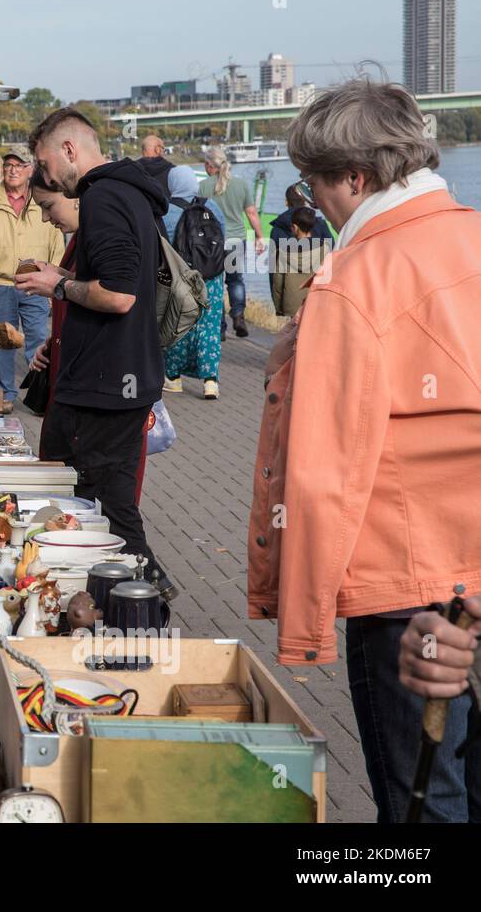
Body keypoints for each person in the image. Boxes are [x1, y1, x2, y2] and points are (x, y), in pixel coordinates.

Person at [247, 78, 481, 822]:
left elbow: (324, 471)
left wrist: (302, 618)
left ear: (356, 176)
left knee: (421, 802)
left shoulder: (355, 278)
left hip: (404, 587)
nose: (313, 203)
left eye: (315, 184)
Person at [22, 108, 171, 594]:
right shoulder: (127, 193)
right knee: (105, 506)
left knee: (107, 511)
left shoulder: (103, 196)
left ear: (69, 150)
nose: (44, 176)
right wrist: (61, 277)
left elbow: (119, 294)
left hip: (106, 388)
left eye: (44, 164)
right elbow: (117, 281)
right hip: (117, 382)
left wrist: (59, 289)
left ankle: (147, 603)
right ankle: (126, 600)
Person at [0, 143, 65, 407]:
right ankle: (5, 395)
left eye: (19, 165)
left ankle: (40, 394)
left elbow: (58, 240)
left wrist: (56, 279)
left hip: (37, 282)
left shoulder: (42, 198)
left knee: (39, 340)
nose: (12, 171)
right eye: (8, 165)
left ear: (30, 168)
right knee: (1, 343)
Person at [161, 165, 226, 400]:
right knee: (209, 327)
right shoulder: (211, 206)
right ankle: (210, 382)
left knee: (178, 324)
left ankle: (174, 378)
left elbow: (161, 246)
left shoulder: (166, 211)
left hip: (180, 277)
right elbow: (222, 239)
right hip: (212, 277)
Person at [201, 146, 265, 338]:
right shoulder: (241, 184)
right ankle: (238, 316)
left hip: (213, 242)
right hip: (237, 240)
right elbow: (252, 213)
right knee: (236, 280)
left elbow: (199, 215)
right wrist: (260, 236)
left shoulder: (204, 186)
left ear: (210, 166)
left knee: (215, 283)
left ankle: (220, 327)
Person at [269, 206, 329, 317]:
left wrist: (279, 308)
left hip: (291, 304)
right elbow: (327, 279)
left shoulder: (283, 251)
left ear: (295, 227)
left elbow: (277, 282)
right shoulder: (324, 249)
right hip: (314, 302)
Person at [269, 182, 334, 246]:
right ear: (305, 201)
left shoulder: (278, 227)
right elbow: (332, 248)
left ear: (286, 202)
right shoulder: (320, 224)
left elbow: (274, 255)